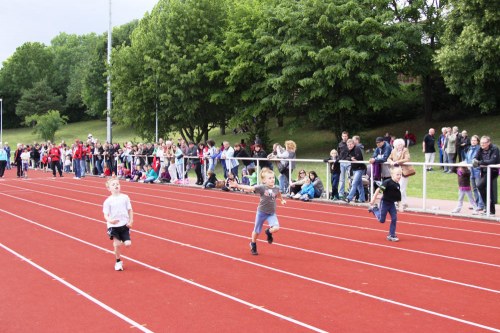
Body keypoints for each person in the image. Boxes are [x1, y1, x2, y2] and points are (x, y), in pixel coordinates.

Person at [229, 168, 286, 255]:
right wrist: (237, 185)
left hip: (271, 213)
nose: (272, 180)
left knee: (276, 228)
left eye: (273, 178)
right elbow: (250, 188)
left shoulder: (276, 188)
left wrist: (281, 200)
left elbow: (278, 194)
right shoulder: (262, 188)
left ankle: (268, 232)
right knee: (257, 231)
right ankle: (253, 244)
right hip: (261, 213)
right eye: (269, 178)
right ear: (264, 180)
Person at [102, 177, 134, 271]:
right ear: (109, 189)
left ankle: (123, 238)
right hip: (113, 226)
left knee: (128, 244)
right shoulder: (108, 201)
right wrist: (110, 220)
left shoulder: (125, 197)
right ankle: (118, 261)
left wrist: (131, 221)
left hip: (124, 225)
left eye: (117, 184)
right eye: (113, 184)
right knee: (117, 244)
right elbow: (105, 215)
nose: (116, 185)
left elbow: (130, 210)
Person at [368, 167, 402, 242]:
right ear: (392, 174)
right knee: (381, 220)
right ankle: (374, 209)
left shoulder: (398, 185)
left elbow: (398, 197)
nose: (399, 176)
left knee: (394, 218)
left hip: (392, 204)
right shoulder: (387, 182)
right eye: (397, 174)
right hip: (385, 203)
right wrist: (373, 199)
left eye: (400, 174)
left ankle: (391, 235)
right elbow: (378, 190)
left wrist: (400, 206)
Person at [473, 136, 500, 216]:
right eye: (481, 143)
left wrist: (480, 162)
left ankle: (488, 208)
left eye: (484, 143)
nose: (482, 144)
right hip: (484, 171)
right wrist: (475, 160)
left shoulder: (494, 148)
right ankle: (490, 209)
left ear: (489, 143)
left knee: (480, 185)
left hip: (493, 171)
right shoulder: (480, 149)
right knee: (488, 189)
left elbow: (493, 161)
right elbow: (475, 158)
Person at [387, 138, 413, 210]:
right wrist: (391, 162)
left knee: (401, 186)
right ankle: (404, 202)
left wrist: (397, 162)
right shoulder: (393, 151)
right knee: (398, 186)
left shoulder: (405, 150)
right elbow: (389, 158)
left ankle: (399, 202)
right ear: (395, 145)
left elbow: (407, 159)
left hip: (404, 171)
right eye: (398, 145)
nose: (400, 146)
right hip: (396, 171)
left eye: (401, 144)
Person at [344, 139, 366, 203]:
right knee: (359, 185)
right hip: (354, 169)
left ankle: (349, 198)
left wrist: (354, 159)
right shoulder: (348, 150)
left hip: (360, 168)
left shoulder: (357, 149)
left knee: (354, 183)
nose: (350, 146)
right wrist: (350, 158)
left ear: (353, 144)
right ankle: (362, 199)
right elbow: (345, 157)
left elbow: (359, 158)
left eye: (351, 144)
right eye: (348, 145)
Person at [465, 135, 484, 210]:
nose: (473, 142)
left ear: (477, 141)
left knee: (479, 187)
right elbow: (467, 159)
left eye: (474, 140)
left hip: (477, 170)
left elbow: (480, 160)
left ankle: (481, 205)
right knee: (474, 188)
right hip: (471, 171)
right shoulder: (469, 148)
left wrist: (480, 170)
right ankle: (476, 203)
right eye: (472, 140)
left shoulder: (479, 149)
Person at [337, 131, 350, 199]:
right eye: (343, 136)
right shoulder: (340, 144)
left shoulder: (350, 143)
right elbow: (338, 153)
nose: (344, 137)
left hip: (349, 163)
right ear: (342, 137)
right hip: (341, 163)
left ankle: (350, 193)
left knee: (350, 178)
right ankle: (341, 193)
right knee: (341, 179)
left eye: (346, 136)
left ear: (347, 136)